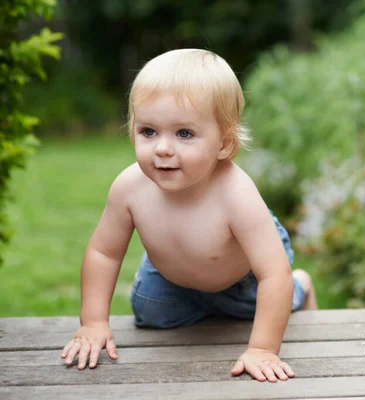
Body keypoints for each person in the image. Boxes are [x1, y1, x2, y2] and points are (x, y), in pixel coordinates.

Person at [60, 48, 318, 383]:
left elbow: (273, 274)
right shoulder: (130, 188)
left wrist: (263, 349)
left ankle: (304, 286)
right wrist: (93, 322)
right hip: (171, 277)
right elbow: (103, 253)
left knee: (265, 305)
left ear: (224, 144)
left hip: (245, 278)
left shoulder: (236, 194)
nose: (163, 148)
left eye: (184, 134)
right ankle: (200, 305)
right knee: (149, 314)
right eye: (148, 131)